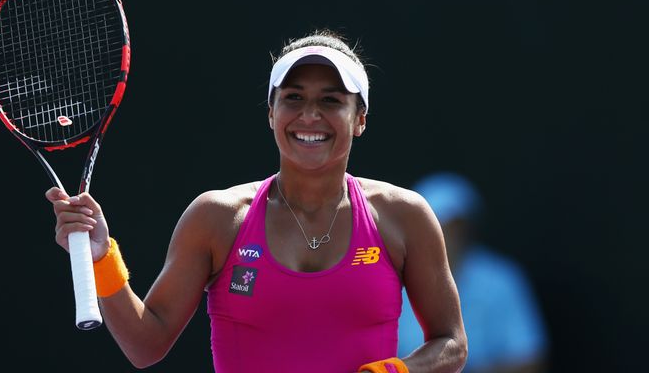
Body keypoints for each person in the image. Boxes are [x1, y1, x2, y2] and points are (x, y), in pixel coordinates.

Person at [46, 30, 467, 373]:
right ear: (271, 113)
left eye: (331, 100)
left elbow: (452, 344)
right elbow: (145, 345)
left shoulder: (404, 216)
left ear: (359, 119)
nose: (309, 115)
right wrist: (102, 257)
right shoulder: (218, 218)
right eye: (294, 97)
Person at [397, 172, 548, 373]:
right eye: (433, 225)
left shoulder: (502, 279)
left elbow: (529, 359)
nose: (445, 236)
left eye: (453, 227)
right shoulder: (392, 278)